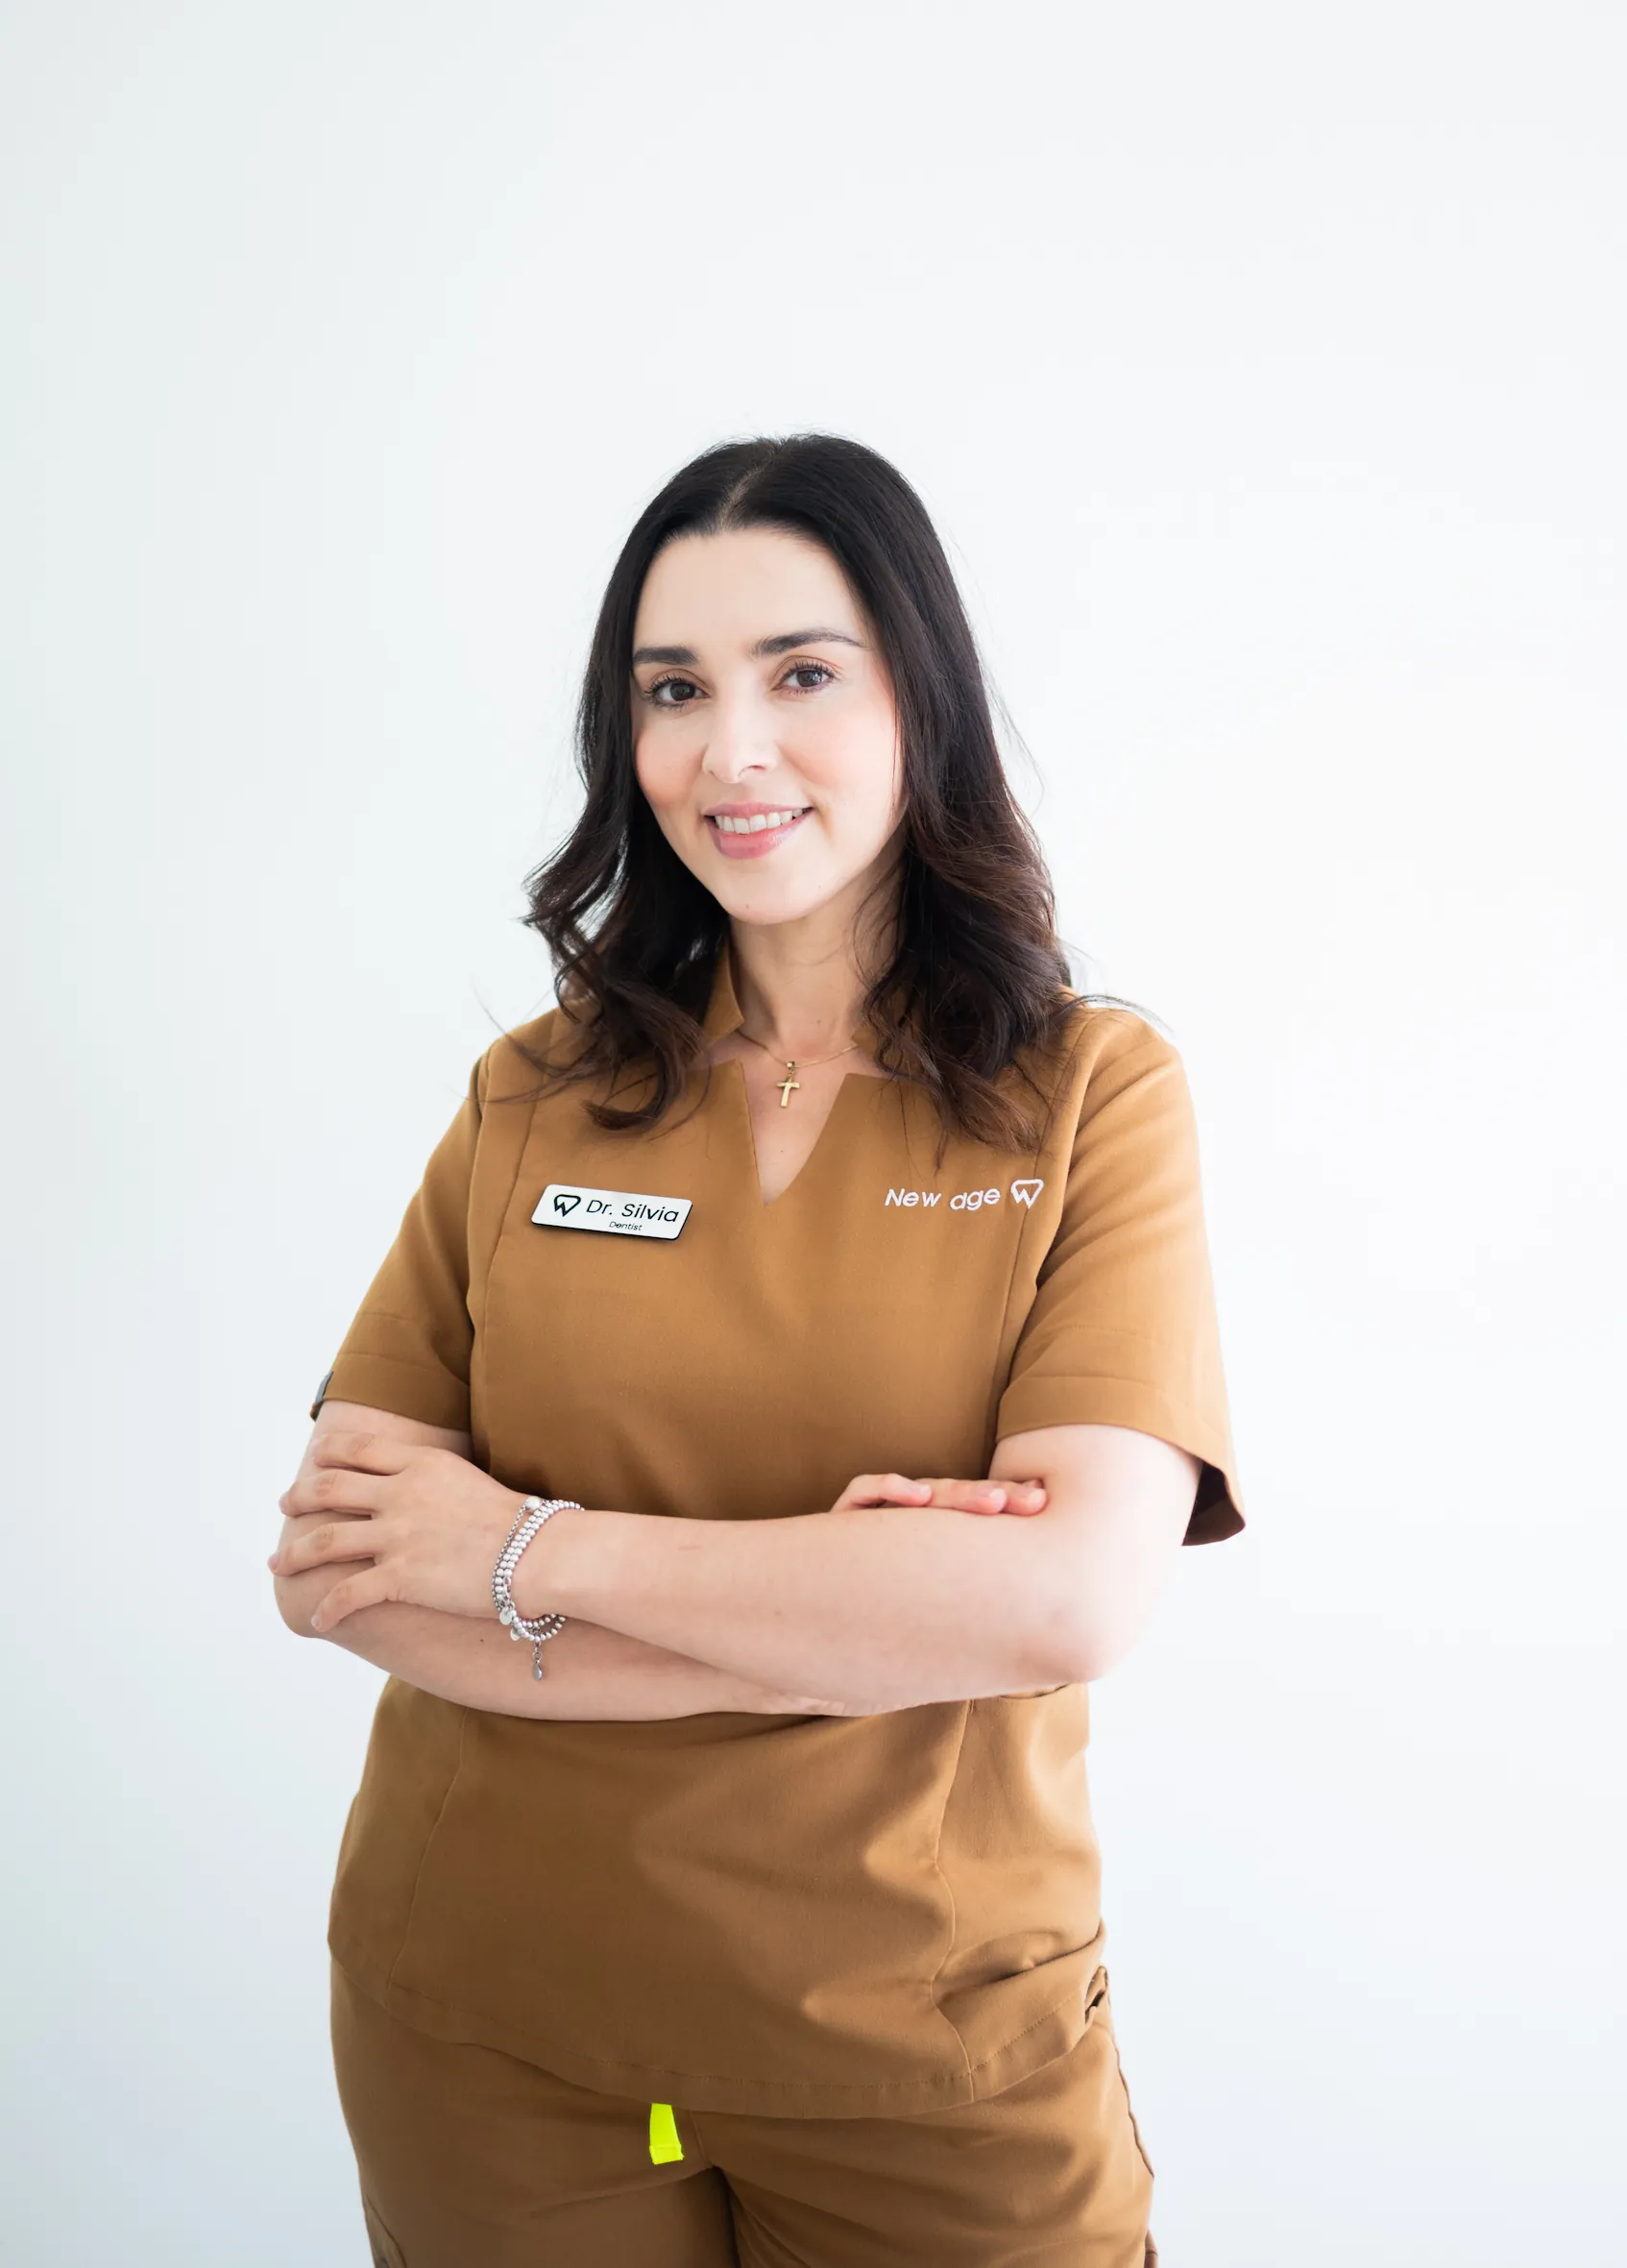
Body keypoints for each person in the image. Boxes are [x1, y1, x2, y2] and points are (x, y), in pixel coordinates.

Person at [269, 432, 1245, 2268]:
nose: (730, 748)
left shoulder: (1092, 1097)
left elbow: (1064, 1605)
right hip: (489, 2029)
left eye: (801, 673)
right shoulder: (535, 1094)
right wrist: (861, 1619)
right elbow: (340, 1570)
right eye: (671, 690)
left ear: (919, 700)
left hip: (922, 2050)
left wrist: (521, 1554)